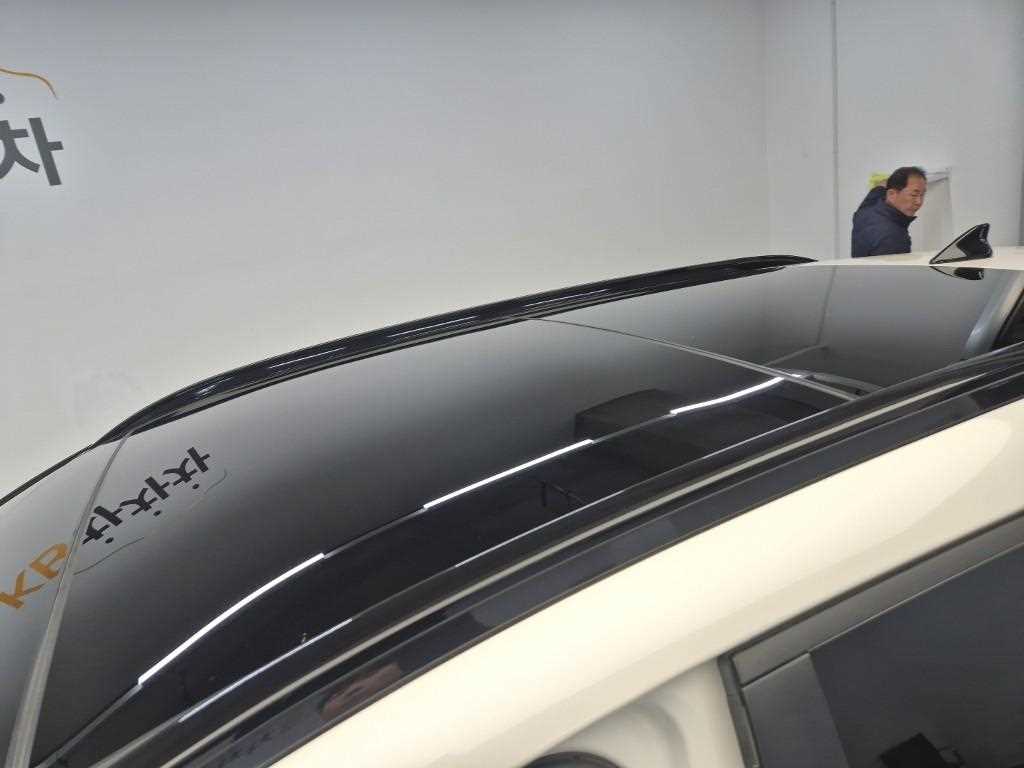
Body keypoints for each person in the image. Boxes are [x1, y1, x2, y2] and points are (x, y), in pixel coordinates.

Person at [851, 166, 927, 258]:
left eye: (922, 195)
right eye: (913, 195)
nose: (919, 202)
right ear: (891, 194)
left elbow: (879, 188)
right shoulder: (893, 238)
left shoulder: (867, 207)